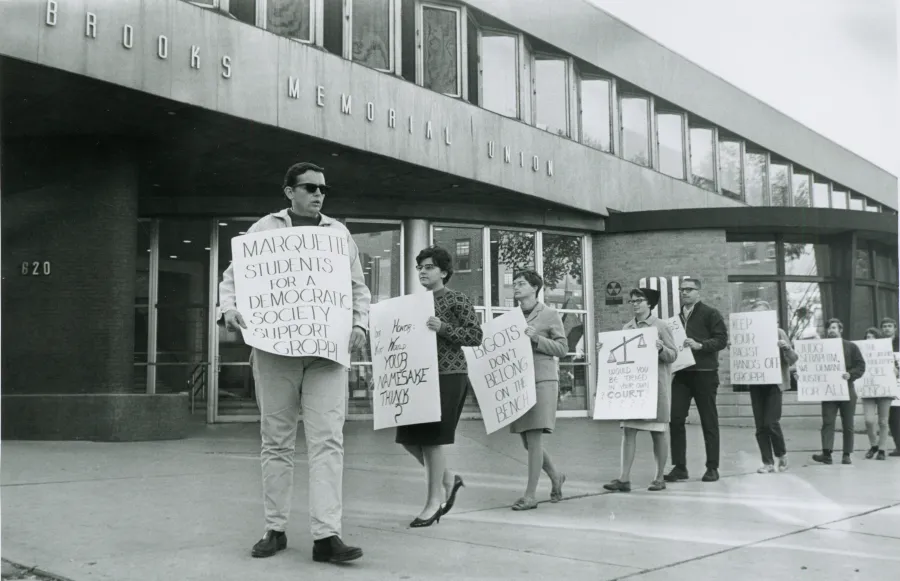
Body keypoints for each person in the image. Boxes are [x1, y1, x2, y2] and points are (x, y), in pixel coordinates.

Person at [219, 162, 370, 563]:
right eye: (308, 187)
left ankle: (327, 536)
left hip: (326, 354)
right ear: (289, 192)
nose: (318, 194)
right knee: (276, 441)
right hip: (274, 353)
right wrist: (229, 308)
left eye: (323, 188)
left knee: (328, 441)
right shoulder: (263, 231)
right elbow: (234, 277)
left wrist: (360, 324)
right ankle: (275, 528)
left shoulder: (339, 235)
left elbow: (358, 287)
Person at [396, 246, 483, 527]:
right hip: (418, 375)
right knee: (409, 438)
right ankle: (449, 480)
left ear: (444, 272)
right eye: (420, 267)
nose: (422, 271)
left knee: (433, 440)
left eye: (429, 267)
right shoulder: (412, 304)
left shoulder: (457, 299)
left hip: (449, 374)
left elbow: (475, 335)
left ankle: (433, 503)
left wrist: (444, 327)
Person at [602, 288, 678, 493]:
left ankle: (659, 477)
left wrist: (661, 348)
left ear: (649, 304)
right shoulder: (627, 327)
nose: (635, 304)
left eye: (639, 300)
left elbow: (673, 355)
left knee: (658, 432)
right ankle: (624, 478)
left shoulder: (660, 326)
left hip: (654, 387)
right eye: (632, 301)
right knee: (628, 430)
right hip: (634, 388)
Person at [507, 270, 568, 510]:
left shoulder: (550, 314)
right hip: (520, 383)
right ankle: (555, 476)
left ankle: (530, 495)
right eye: (514, 284)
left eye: (521, 283)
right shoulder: (511, 317)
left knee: (533, 438)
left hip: (542, 382)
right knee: (526, 440)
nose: (516, 287)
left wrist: (537, 340)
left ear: (534, 288)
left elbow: (562, 348)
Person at [665, 278, 729, 483]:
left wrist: (700, 345)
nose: (685, 293)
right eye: (682, 290)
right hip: (682, 374)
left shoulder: (711, 313)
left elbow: (721, 340)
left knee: (708, 420)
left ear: (698, 292)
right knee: (675, 418)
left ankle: (712, 467)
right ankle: (680, 466)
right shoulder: (675, 320)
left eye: (689, 290)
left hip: (705, 373)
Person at [732, 301, 798, 473]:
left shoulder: (778, 333)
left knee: (771, 422)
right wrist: (737, 349)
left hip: (774, 384)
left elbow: (793, 359)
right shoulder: (748, 334)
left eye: (762, 314)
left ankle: (781, 455)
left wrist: (787, 348)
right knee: (760, 425)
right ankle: (767, 462)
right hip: (756, 384)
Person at [812, 318, 866, 465]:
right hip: (829, 391)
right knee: (828, 422)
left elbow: (861, 366)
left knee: (848, 424)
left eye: (834, 328)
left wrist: (851, 374)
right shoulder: (820, 347)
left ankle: (847, 454)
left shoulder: (851, 347)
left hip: (847, 389)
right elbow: (813, 366)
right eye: (829, 328)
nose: (831, 330)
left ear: (840, 330)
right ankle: (826, 453)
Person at [861, 327, 891, 461]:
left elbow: (895, 367)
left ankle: (882, 449)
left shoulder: (886, 352)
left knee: (883, 421)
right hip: (868, 390)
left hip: (884, 390)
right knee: (869, 420)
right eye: (867, 337)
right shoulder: (860, 353)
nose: (869, 340)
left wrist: (895, 370)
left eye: (872, 337)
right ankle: (874, 445)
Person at [881, 317, 900, 457]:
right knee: (893, 417)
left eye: (889, 326)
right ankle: (899, 446)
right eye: (885, 326)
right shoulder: (878, 344)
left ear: (895, 329)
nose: (887, 328)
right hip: (888, 386)